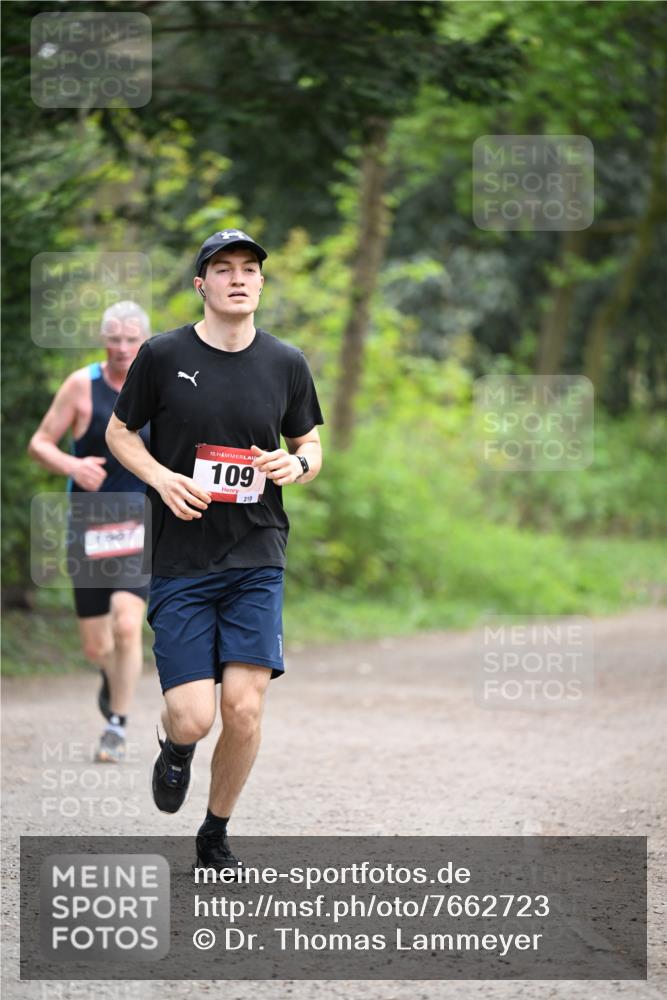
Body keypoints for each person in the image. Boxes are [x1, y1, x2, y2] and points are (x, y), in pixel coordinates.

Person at [106, 228, 323, 869]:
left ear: (260, 282)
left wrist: (298, 467)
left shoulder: (286, 363)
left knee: (245, 707)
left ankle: (215, 831)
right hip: (181, 560)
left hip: (257, 553)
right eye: (223, 268)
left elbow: (310, 444)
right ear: (201, 284)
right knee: (195, 716)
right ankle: (176, 748)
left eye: (249, 268)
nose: (238, 277)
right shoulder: (162, 354)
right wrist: (161, 478)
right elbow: (121, 434)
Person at [28, 300, 151, 763]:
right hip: (90, 525)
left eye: (131, 339)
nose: (122, 348)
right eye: (114, 339)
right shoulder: (82, 385)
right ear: (104, 340)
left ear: (145, 340)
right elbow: (39, 442)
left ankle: (116, 726)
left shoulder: (159, 386)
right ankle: (112, 675)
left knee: (126, 623)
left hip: (141, 521)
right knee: (96, 644)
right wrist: (72, 464)